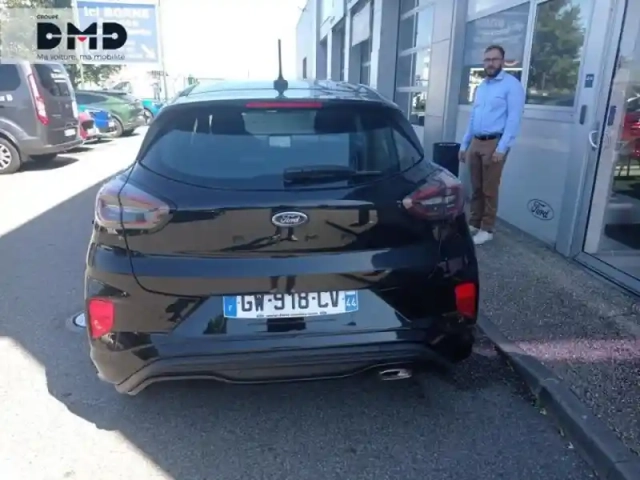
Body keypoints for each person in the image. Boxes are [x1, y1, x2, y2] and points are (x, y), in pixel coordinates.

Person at [459, 44, 525, 245]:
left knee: (489, 189)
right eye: (487, 60)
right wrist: (464, 144)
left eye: (494, 59)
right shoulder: (482, 87)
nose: (490, 63)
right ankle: (474, 223)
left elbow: (514, 119)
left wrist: (502, 148)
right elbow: (474, 117)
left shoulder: (512, 85)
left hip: (494, 143)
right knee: (476, 187)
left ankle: (487, 229)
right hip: (476, 141)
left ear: (502, 61)